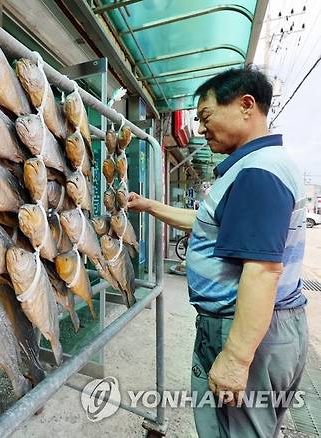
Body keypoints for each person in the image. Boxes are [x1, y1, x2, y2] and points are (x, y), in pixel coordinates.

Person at [128, 67, 308, 437]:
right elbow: (207, 221)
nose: (200, 129)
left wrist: (237, 358)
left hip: (246, 327)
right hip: (257, 324)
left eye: (206, 116)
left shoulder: (258, 172)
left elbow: (262, 270)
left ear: (246, 106)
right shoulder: (254, 167)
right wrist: (148, 206)